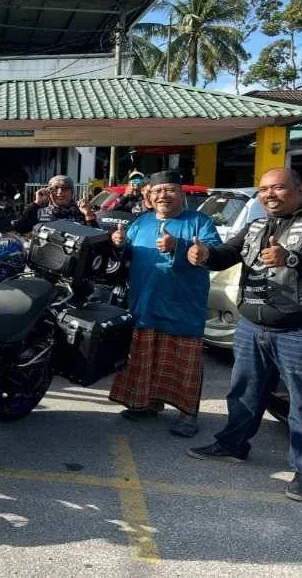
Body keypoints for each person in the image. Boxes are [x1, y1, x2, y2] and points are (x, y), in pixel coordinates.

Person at [186, 167, 302, 502]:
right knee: (244, 392)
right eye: (264, 189)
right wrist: (205, 255)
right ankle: (232, 444)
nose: (269, 195)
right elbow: (227, 255)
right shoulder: (257, 225)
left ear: (299, 189)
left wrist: (292, 258)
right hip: (253, 326)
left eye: (278, 188)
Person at [107, 170, 222, 437]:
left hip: (182, 306)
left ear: (182, 194)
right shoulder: (140, 223)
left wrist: (179, 247)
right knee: (145, 357)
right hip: (144, 303)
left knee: (184, 363)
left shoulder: (199, 222)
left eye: (170, 190)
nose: (163, 196)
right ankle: (146, 404)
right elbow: (124, 260)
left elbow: (213, 253)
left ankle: (187, 414)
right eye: (157, 191)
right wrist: (119, 244)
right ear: (148, 196)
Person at [15, 174, 98, 233]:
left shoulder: (81, 211)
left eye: (64, 188)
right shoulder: (41, 212)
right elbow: (20, 229)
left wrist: (88, 214)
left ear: (72, 192)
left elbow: (97, 239)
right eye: (55, 188)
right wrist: (37, 203)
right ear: (48, 192)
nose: (60, 192)